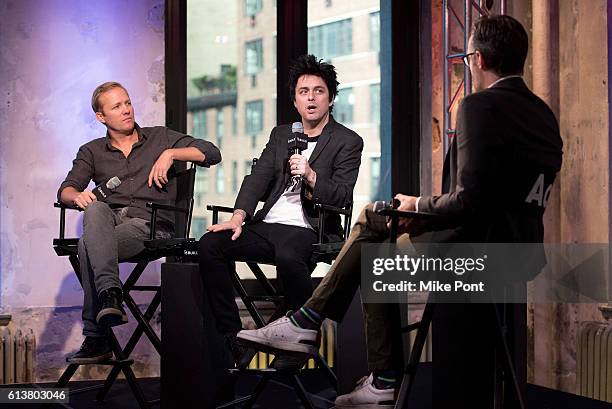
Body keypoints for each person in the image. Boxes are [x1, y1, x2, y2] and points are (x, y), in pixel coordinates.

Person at [237, 15, 563, 409]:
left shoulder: (480, 106)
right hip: (524, 253)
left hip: (481, 251)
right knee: (379, 231)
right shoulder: (543, 115)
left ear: (476, 59)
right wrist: (424, 214)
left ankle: (325, 336)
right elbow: (501, 198)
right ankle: (349, 356)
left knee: (375, 228)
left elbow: (469, 202)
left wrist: (419, 206)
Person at [198, 54, 363, 366]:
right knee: (210, 245)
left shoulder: (347, 141)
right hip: (269, 224)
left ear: (330, 98)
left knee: (289, 256)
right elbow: (257, 178)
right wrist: (238, 216)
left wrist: (312, 175)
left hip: (310, 227)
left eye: (318, 91)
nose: (311, 98)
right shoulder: (282, 135)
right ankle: (231, 337)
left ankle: (298, 339)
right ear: (295, 100)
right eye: (304, 92)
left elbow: (341, 196)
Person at [58, 81, 221, 364]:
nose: (126, 110)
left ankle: (97, 336)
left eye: (128, 102)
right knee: (95, 210)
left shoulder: (159, 138)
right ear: (101, 117)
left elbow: (211, 152)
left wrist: (171, 154)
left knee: (87, 245)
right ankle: (110, 294)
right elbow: (66, 190)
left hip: (150, 225)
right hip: (110, 224)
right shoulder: (91, 151)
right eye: (117, 106)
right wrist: (78, 197)